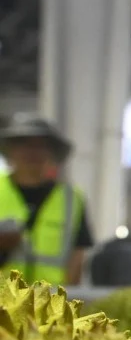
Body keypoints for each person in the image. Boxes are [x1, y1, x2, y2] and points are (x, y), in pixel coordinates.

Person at [0, 113, 93, 285]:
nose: (32, 153)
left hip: (49, 301)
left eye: (41, 146)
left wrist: (67, 299)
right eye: (24, 145)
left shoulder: (72, 198)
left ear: (53, 153)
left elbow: (77, 254)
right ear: (10, 150)